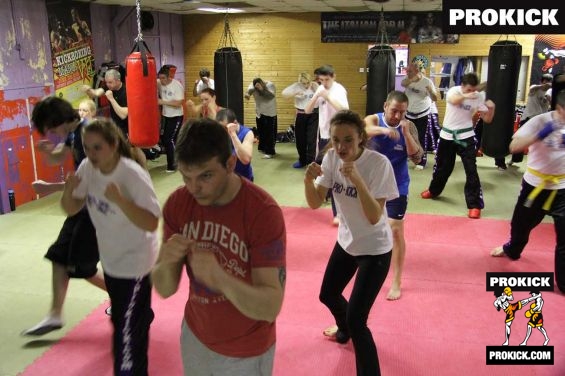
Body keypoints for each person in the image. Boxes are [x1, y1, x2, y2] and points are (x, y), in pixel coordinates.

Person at [151, 118, 286, 376]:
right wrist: (166, 262)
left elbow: (271, 307)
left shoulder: (262, 212)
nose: (194, 188)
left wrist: (220, 278)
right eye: (186, 177)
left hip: (246, 350)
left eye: (206, 175)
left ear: (230, 164)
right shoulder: (179, 204)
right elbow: (165, 289)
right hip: (195, 336)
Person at [61, 118, 160, 375]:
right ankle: (139, 316)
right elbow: (71, 209)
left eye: (97, 147)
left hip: (136, 262)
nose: (91, 154)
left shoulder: (131, 174)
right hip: (112, 259)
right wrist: (68, 191)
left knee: (127, 338)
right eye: (87, 147)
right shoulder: (87, 168)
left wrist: (121, 201)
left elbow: (151, 222)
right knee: (121, 322)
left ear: (114, 144)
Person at [304, 110, 398, 376]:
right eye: (335, 140)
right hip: (347, 242)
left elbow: (372, 216)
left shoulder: (378, 164)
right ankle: (343, 328)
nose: (341, 146)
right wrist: (307, 180)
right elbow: (314, 202)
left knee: (358, 321)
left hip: (375, 249)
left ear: (361, 139)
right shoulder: (331, 158)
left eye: (348, 140)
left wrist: (356, 178)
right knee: (328, 294)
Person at [22, 97, 107, 336]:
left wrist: (52, 187)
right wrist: (48, 152)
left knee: (83, 267)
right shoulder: (73, 133)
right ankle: (55, 315)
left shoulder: (89, 131)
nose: (49, 133)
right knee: (59, 255)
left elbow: (96, 178)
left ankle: (128, 299)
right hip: (82, 206)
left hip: (99, 208)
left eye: (48, 128)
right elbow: (58, 158)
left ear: (56, 121)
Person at [491, 90, 565, 293]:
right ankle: (512, 249)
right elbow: (514, 146)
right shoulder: (539, 122)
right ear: (559, 108)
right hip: (535, 185)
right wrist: (539, 135)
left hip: (562, 188)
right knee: (521, 226)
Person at [364, 91, 424, 300]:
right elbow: (361, 130)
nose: (398, 116)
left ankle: (396, 280)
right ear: (385, 106)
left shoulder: (409, 126)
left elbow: (417, 158)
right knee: (368, 229)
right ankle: (369, 270)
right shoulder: (373, 119)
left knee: (395, 230)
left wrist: (405, 134)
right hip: (371, 184)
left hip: (397, 184)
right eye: (394, 111)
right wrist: (384, 130)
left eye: (402, 112)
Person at [421, 73, 495, 219]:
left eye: (473, 89)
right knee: (443, 168)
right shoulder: (454, 91)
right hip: (447, 136)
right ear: (462, 86)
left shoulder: (479, 96)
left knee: (471, 170)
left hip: (466, 137)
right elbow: (455, 101)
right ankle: (434, 191)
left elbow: (487, 119)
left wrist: (491, 109)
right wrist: (469, 95)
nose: (471, 92)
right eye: (468, 89)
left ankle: (474, 205)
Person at [305, 65, 349, 226]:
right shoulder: (320, 89)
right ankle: (325, 193)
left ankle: (337, 214)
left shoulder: (338, 90)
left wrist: (327, 96)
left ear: (333, 77)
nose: (324, 82)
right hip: (324, 137)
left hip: (336, 138)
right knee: (319, 167)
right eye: (321, 80)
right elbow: (307, 110)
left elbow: (344, 110)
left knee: (335, 173)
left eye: (327, 79)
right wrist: (315, 96)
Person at [81, 68, 147, 169]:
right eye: (106, 82)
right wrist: (88, 90)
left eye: (110, 82)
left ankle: (141, 171)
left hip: (129, 125)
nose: (108, 85)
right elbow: (96, 93)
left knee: (133, 151)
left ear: (118, 80)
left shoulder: (126, 91)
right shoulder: (108, 87)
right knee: (127, 150)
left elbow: (123, 114)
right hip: (117, 126)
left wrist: (111, 99)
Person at [508, 73, 553, 167]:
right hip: (528, 117)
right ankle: (514, 159)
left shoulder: (550, 91)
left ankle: (542, 162)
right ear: (542, 81)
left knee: (541, 141)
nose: (547, 84)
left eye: (549, 82)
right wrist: (544, 86)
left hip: (541, 120)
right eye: (546, 82)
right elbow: (533, 89)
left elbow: (551, 100)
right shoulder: (535, 88)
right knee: (520, 138)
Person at [401, 61, 438, 169]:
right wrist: (412, 79)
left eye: (410, 71)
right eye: (407, 71)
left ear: (417, 70)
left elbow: (435, 98)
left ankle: (421, 162)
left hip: (422, 114)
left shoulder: (427, 82)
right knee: (407, 136)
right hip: (409, 114)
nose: (407, 72)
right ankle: (409, 155)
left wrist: (430, 91)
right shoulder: (407, 79)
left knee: (421, 138)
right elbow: (403, 84)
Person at [281, 72, 319, 168]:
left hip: (313, 115)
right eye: (303, 83)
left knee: (312, 139)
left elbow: (324, 96)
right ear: (300, 82)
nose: (306, 85)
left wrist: (317, 91)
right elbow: (284, 94)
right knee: (300, 139)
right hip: (301, 115)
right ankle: (302, 160)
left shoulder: (314, 86)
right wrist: (295, 93)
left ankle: (310, 162)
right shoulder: (296, 86)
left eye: (307, 83)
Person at [158, 65, 185, 172]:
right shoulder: (159, 82)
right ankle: (179, 161)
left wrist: (162, 102)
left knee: (169, 140)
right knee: (167, 139)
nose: (161, 80)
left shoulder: (177, 85)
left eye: (163, 78)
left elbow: (179, 103)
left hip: (176, 116)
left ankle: (173, 165)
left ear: (169, 77)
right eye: (160, 78)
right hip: (166, 115)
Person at [216, 108, 255, 181]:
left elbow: (245, 159)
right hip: (224, 180)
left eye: (225, 128)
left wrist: (233, 134)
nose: (223, 132)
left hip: (243, 179)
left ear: (235, 123)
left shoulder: (247, 133)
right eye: (220, 128)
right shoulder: (218, 133)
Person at [245, 77, 277, 159]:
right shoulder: (252, 86)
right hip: (259, 112)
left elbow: (270, 96)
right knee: (261, 132)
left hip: (270, 113)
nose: (257, 87)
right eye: (255, 86)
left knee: (269, 133)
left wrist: (261, 89)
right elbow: (249, 92)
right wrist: (248, 94)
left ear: (263, 83)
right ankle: (262, 148)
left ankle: (270, 152)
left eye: (259, 85)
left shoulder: (270, 85)